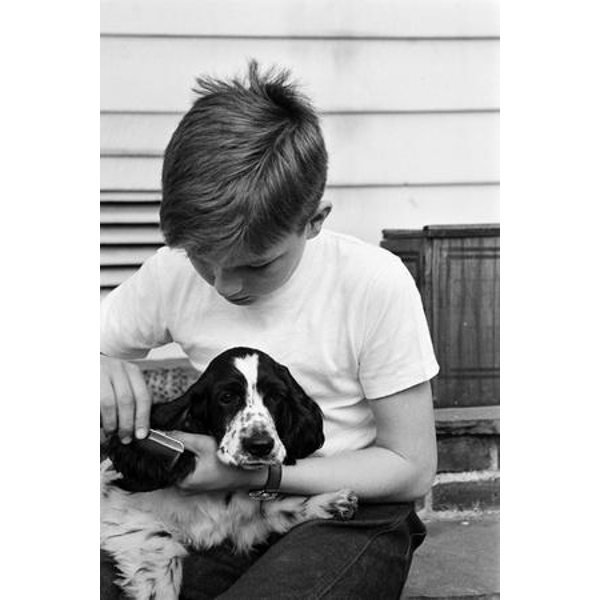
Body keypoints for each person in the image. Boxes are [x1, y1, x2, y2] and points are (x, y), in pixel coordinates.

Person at [100, 61, 439, 599]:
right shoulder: (169, 274)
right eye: (202, 259)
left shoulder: (374, 282)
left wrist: (255, 476)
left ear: (315, 220)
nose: (224, 285)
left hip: (348, 513)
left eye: (256, 265)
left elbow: (411, 467)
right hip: (211, 512)